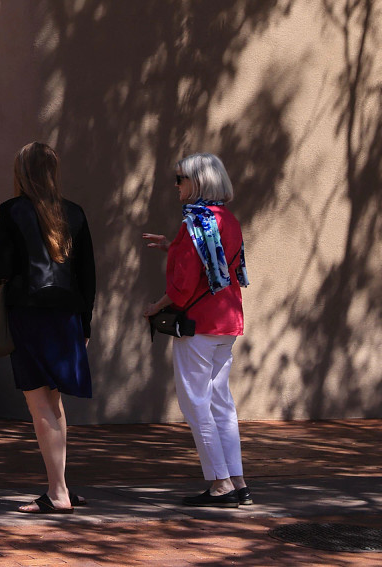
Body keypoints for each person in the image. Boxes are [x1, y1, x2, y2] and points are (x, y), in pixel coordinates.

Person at [0, 142, 96, 513]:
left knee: (39, 405)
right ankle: (62, 486)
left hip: (29, 314)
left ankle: (58, 493)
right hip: (67, 316)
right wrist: (85, 324)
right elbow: (88, 276)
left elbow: (3, 266)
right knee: (54, 401)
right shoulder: (76, 213)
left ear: (22, 172)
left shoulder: (12, 210)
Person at [141, 152, 249, 506]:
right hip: (228, 320)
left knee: (195, 403)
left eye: (180, 179)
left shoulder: (194, 223)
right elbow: (213, 263)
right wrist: (170, 247)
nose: (176, 185)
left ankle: (220, 485)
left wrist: (154, 308)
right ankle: (238, 481)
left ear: (197, 182)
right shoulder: (227, 220)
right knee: (220, 402)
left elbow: (183, 288)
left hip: (198, 324)